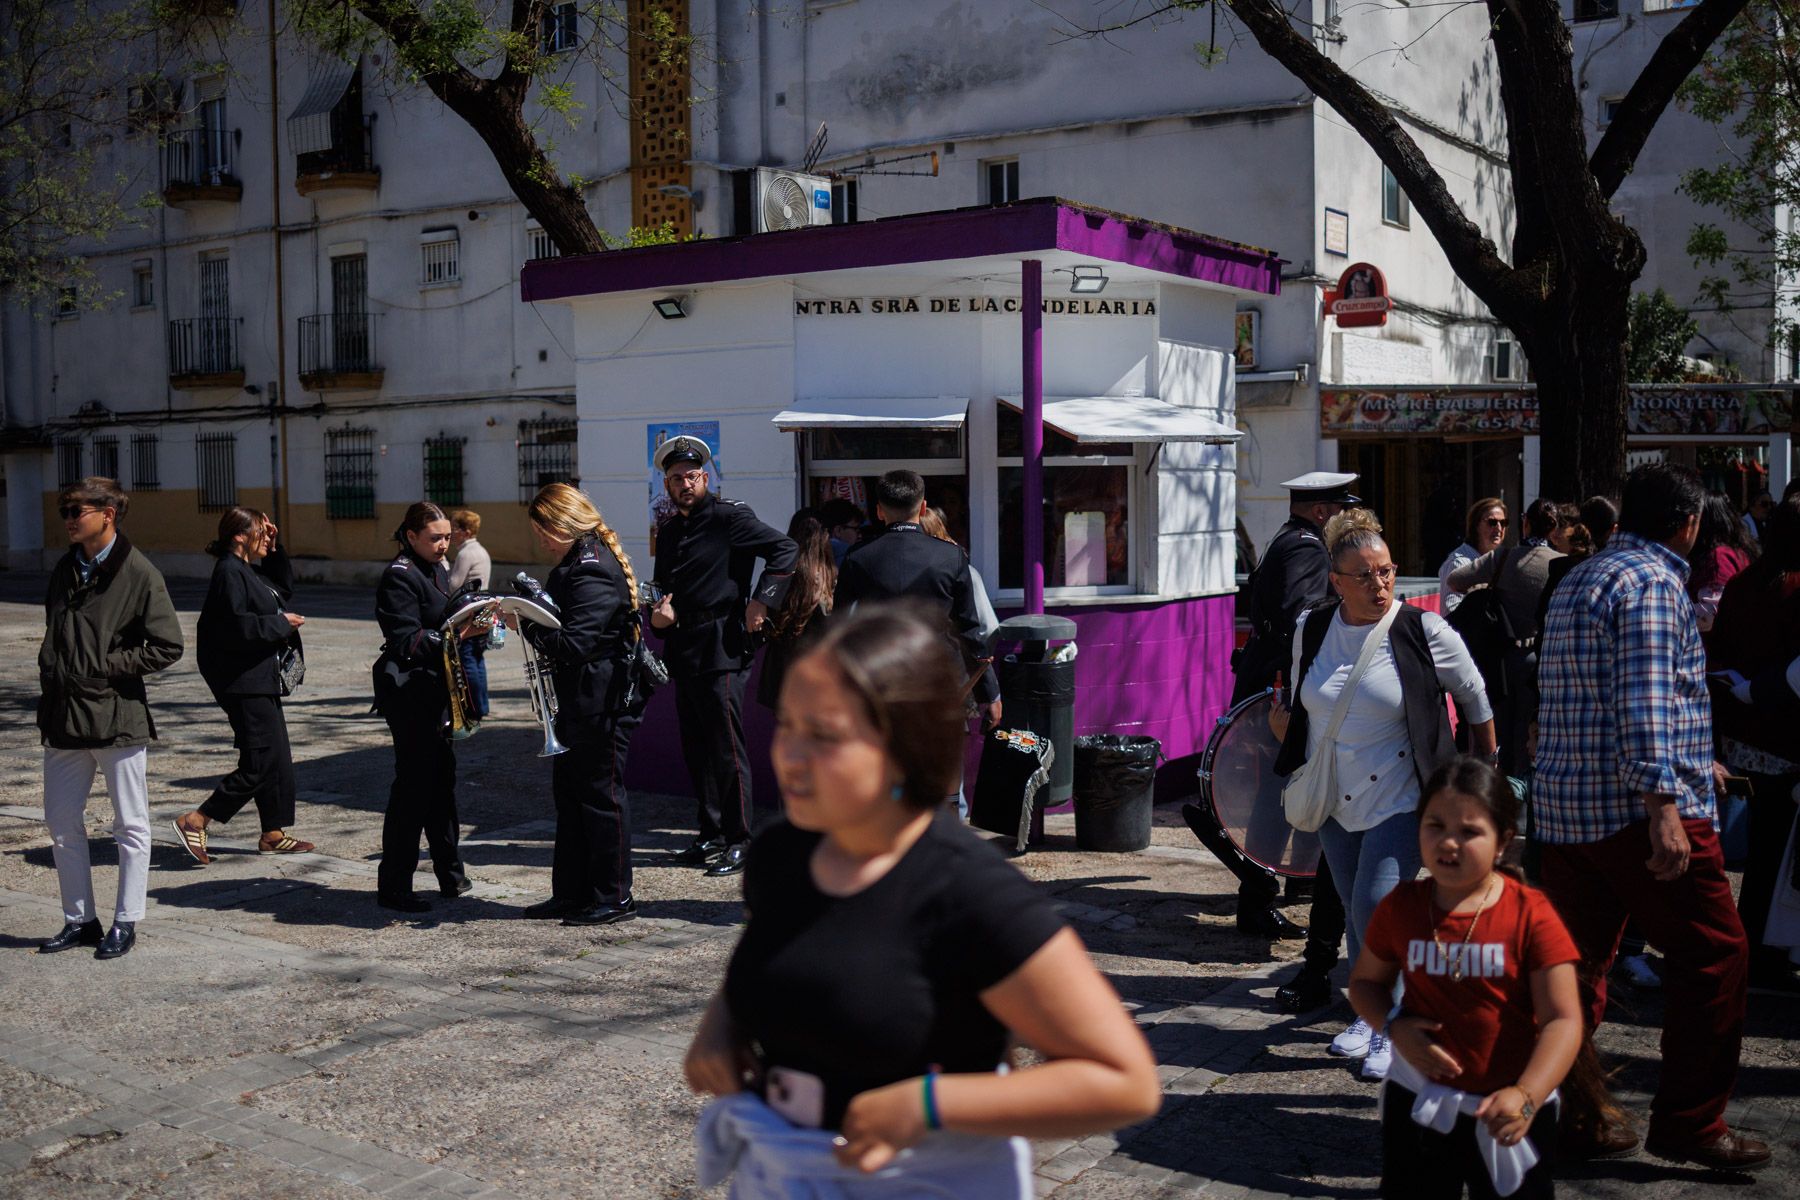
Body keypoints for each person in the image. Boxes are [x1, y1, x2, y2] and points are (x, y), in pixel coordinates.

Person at [683, 605, 1160, 1195]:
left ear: (902, 748)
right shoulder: (781, 852)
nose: (791, 757)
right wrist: (723, 1023)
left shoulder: (970, 893)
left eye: (825, 735)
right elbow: (787, 951)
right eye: (788, 726)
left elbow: (1124, 1081)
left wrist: (928, 1102)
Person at [1534, 463, 1770, 1171]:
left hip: (1569, 810)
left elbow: (1599, 697)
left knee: (1573, 970)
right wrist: (1664, 800)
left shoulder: (1583, 575)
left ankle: (1575, 1112)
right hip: (1636, 813)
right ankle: (1692, 1124)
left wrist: (1697, 762)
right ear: (1689, 523)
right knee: (1716, 958)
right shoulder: (1653, 583)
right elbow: (1641, 701)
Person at [1270, 508, 1496, 1081]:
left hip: (1403, 796)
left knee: (1375, 907)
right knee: (1354, 910)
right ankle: (1367, 1017)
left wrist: (1483, 767)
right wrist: (1286, 729)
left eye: (1387, 572)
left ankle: (1396, 1022)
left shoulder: (1424, 631)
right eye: (1365, 576)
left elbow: (1474, 696)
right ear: (1336, 581)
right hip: (1334, 799)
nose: (1380, 585)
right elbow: (1303, 700)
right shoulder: (1312, 629)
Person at [1351, 757, 1584, 1200]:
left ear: (1503, 842)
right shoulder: (1401, 907)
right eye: (1435, 825)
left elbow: (1563, 1020)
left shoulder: (1531, 914)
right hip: (1417, 1099)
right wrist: (1394, 1026)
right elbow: (1364, 985)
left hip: (1511, 1112)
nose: (1449, 843)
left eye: (1470, 831)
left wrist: (1526, 1094)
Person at [37, 477, 183, 960]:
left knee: (131, 824)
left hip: (117, 716)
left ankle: (126, 919)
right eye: (65, 510)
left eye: (77, 510)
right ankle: (79, 919)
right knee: (60, 821)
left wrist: (105, 667)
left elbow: (167, 645)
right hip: (63, 717)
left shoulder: (140, 573)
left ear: (108, 514)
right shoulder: (65, 568)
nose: (69, 519)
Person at [649, 435, 798, 878]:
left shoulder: (729, 517)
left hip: (723, 644)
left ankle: (740, 838)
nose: (684, 484)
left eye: (691, 476)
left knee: (726, 747)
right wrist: (659, 614)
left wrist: (762, 601)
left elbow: (784, 550)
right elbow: (664, 587)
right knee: (696, 745)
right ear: (667, 484)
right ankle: (710, 832)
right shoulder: (671, 528)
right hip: (684, 644)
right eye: (675, 478)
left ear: (705, 477)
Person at [1227, 471, 1361, 947]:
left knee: (1288, 789)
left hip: (1277, 682)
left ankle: (1290, 883)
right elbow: (1300, 621)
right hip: (1287, 688)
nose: (1346, 518)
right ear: (1322, 512)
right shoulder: (1306, 547)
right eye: (1341, 509)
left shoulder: (1290, 537)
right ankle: (1257, 902)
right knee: (1278, 797)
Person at [833, 470, 1003, 815]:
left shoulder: (857, 558)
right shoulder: (951, 558)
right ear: (923, 506)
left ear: (879, 510)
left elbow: (839, 631)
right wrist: (991, 693)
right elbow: (971, 632)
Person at [516, 483, 645, 926]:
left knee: (600, 799)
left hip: (601, 701)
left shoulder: (590, 567)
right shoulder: (579, 560)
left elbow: (574, 642)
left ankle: (614, 896)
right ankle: (572, 893)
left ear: (563, 524)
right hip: (581, 700)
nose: (542, 541)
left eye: (544, 531)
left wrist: (525, 625)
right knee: (571, 799)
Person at [171, 508, 314, 865]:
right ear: (239, 536)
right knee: (260, 761)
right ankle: (197, 819)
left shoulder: (246, 571)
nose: (267, 537)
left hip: (259, 677)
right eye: (262, 533)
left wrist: (276, 546)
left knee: (276, 757)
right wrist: (281, 625)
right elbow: (237, 627)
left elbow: (282, 590)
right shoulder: (229, 572)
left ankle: (273, 833)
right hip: (242, 681)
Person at [1708, 493, 1800, 995]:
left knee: (1765, 850)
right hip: (1787, 735)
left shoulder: (1745, 583)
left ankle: (1756, 950)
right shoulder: (1794, 588)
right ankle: (1769, 953)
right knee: (1783, 855)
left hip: (1745, 734)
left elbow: (1720, 653)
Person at [371, 501, 474, 914]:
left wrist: (471, 618)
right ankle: (394, 884)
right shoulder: (399, 576)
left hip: (435, 690)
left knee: (441, 782)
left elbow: (443, 619)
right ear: (411, 536)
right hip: (409, 692)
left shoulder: (435, 568)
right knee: (413, 788)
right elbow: (407, 641)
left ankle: (451, 874)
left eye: (447, 536)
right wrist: (458, 633)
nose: (444, 544)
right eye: (435, 538)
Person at [1448, 498, 1564, 777]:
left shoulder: (1502, 559)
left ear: (1525, 524)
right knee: (1531, 735)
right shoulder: (1561, 565)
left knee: (1499, 732)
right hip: (1542, 661)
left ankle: (1501, 793)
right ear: (1554, 529)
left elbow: (1455, 580)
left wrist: (1491, 585)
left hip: (1501, 660)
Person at [756, 510, 835, 713]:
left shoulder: (781, 568)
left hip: (782, 662)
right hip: (815, 664)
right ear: (822, 535)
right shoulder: (827, 573)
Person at [1687, 491, 1757, 636]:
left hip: (1718, 648)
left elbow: (1710, 613)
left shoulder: (1718, 558)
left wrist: (1676, 607)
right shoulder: (1738, 551)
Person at [447, 509, 494, 718]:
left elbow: (454, 585)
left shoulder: (466, 553)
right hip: (483, 607)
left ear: (465, 531)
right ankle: (481, 705)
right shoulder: (481, 550)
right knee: (477, 657)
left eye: (454, 529)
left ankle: (473, 707)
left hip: (469, 611)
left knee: (467, 657)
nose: (451, 533)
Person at [1439, 498, 1508, 616]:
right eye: (1492, 522)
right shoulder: (1459, 563)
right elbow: (1451, 613)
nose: (1499, 528)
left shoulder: (1502, 560)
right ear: (1476, 525)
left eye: (1503, 523)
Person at [819, 497, 866, 567]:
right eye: (856, 529)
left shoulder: (812, 558)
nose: (860, 536)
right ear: (838, 531)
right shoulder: (851, 562)